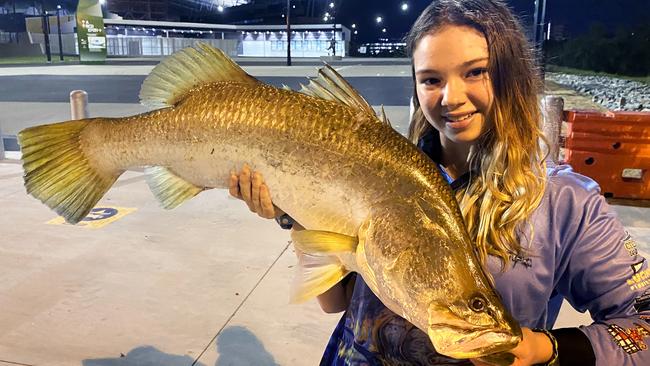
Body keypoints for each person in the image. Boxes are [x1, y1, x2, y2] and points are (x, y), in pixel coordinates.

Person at [229, 0, 650, 365]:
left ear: (511, 75)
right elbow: (335, 302)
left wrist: (544, 349)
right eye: (431, 79)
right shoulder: (384, 171)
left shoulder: (567, 203)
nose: (451, 96)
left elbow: (644, 324)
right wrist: (294, 213)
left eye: (475, 72)